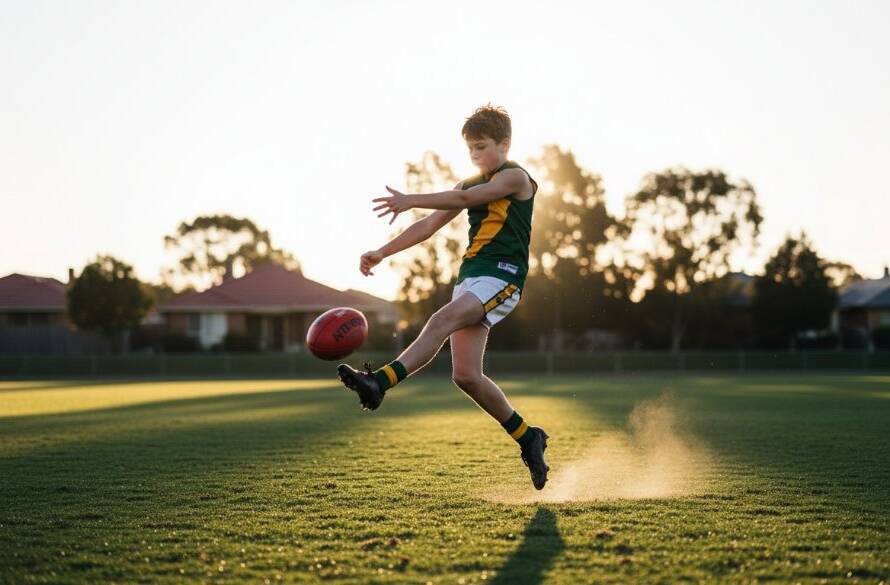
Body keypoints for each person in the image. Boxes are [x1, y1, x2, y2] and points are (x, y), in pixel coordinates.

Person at [337, 105, 549, 490]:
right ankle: (528, 437)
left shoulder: (516, 177)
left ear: (505, 144)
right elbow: (430, 226)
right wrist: (382, 252)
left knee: (439, 320)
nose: (475, 155)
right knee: (466, 376)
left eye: (482, 147)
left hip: (502, 277)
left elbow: (470, 200)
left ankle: (379, 382)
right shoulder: (468, 184)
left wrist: (411, 197)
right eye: (470, 149)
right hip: (470, 279)